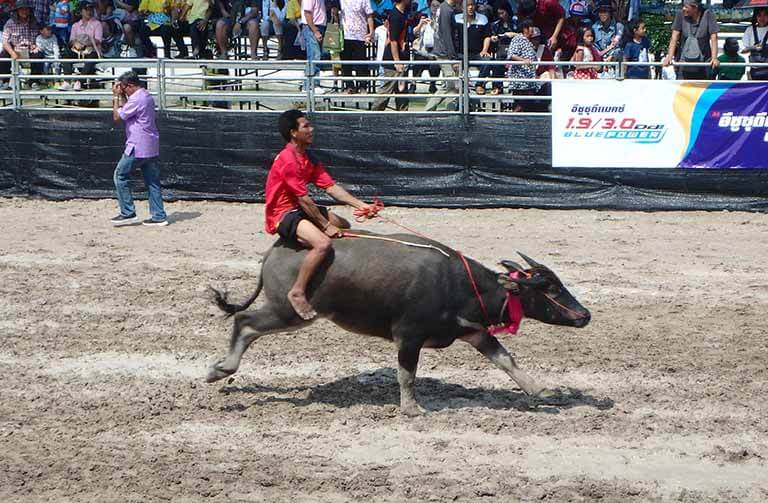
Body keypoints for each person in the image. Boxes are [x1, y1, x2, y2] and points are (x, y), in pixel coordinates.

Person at [265, 109, 376, 319]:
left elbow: (331, 188)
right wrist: (325, 226)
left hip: (299, 209)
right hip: (283, 213)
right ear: (293, 133)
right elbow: (303, 199)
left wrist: (361, 205)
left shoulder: (308, 158)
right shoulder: (288, 160)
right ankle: (297, 291)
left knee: (343, 223)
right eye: (305, 126)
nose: (311, 129)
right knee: (323, 243)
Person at [110, 71, 168, 227]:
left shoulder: (137, 99)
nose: (121, 90)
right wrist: (122, 95)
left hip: (137, 145)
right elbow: (127, 109)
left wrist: (115, 97)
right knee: (152, 181)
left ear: (129, 86)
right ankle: (159, 215)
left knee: (120, 175)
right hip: (150, 145)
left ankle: (127, 212)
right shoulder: (145, 95)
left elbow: (117, 117)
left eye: (123, 87)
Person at [663, 0, 719, 80]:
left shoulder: (708, 15)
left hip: (704, 62)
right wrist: (669, 57)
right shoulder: (680, 14)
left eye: (686, 7)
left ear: (695, 8)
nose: (683, 9)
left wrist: (714, 58)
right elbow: (674, 37)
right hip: (684, 61)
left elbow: (714, 38)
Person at [372, 0, 410, 110]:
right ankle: (374, 114)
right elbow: (393, 40)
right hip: (393, 59)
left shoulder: (403, 14)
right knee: (387, 89)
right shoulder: (395, 15)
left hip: (401, 56)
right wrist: (396, 61)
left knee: (402, 91)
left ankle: (403, 114)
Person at [423, 0, 459, 111]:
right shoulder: (446, 10)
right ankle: (432, 110)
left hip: (443, 51)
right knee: (452, 84)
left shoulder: (444, 8)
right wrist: (453, 58)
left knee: (450, 84)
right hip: (445, 53)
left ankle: (432, 110)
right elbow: (447, 35)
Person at [0, 0, 44, 90]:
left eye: (26, 9)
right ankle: (4, 81)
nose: (24, 11)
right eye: (22, 9)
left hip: (29, 49)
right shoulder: (10, 23)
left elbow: (39, 37)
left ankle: (34, 82)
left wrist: (36, 45)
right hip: (15, 49)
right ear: (17, 11)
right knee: (3, 54)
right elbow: (5, 41)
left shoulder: (34, 22)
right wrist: (12, 53)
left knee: (39, 55)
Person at [455, 0, 492, 95]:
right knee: (455, 64)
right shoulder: (456, 18)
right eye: (467, 5)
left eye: (472, 5)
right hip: (461, 53)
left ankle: (479, 84)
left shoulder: (483, 19)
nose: (470, 7)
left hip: (477, 53)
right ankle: (462, 86)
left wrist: (484, 50)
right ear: (462, 7)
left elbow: (487, 36)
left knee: (487, 61)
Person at [340, 0, 374, 93]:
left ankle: (363, 86)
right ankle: (349, 86)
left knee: (361, 63)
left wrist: (371, 32)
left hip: (360, 35)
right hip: (345, 35)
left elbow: (369, 15)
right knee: (346, 63)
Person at [741, 7, 768, 80]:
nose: (762, 18)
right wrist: (753, 48)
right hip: (754, 70)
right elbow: (742, 51)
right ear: (755, 17)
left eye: (765, 15)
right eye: (759, 15)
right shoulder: (749, 30)